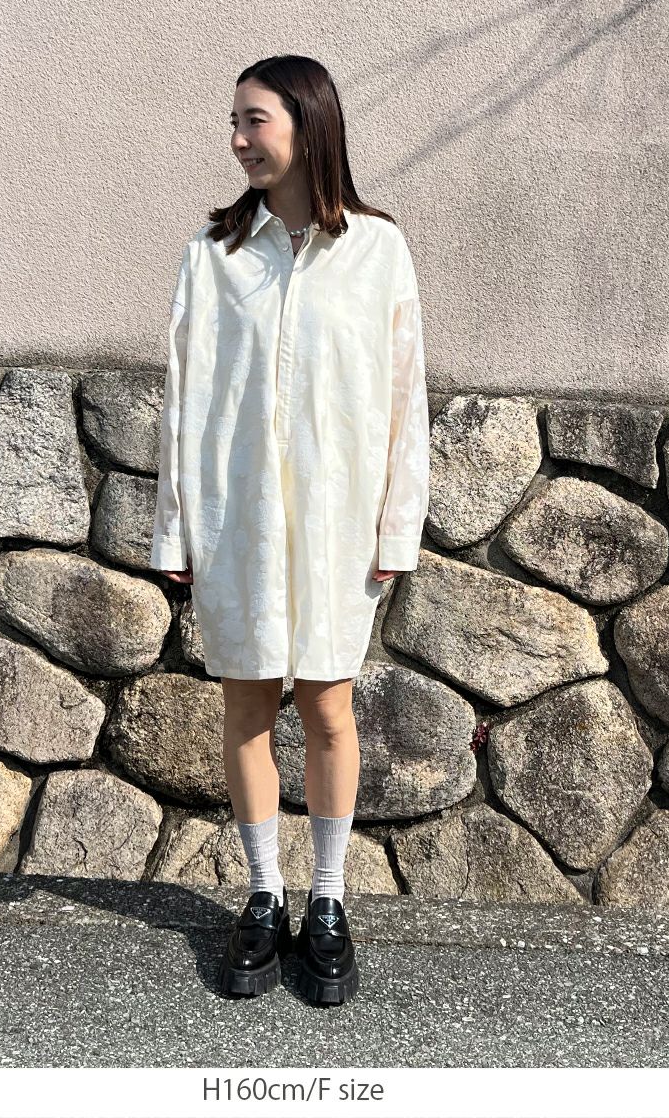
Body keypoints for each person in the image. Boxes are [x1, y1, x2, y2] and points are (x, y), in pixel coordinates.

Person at [149, 55, 430, 1006]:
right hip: (239, 525)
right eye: (233, 121)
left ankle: (329, 899)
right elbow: (182, 401)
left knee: (329, 711)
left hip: (339, 527)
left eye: (254, 119)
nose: (238, 139)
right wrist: (175, 532)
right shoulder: (213, 254)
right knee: (246, 711)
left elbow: (404, 399)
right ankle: (265, 895)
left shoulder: (379, 251)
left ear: (308, 124)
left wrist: (397, 528)